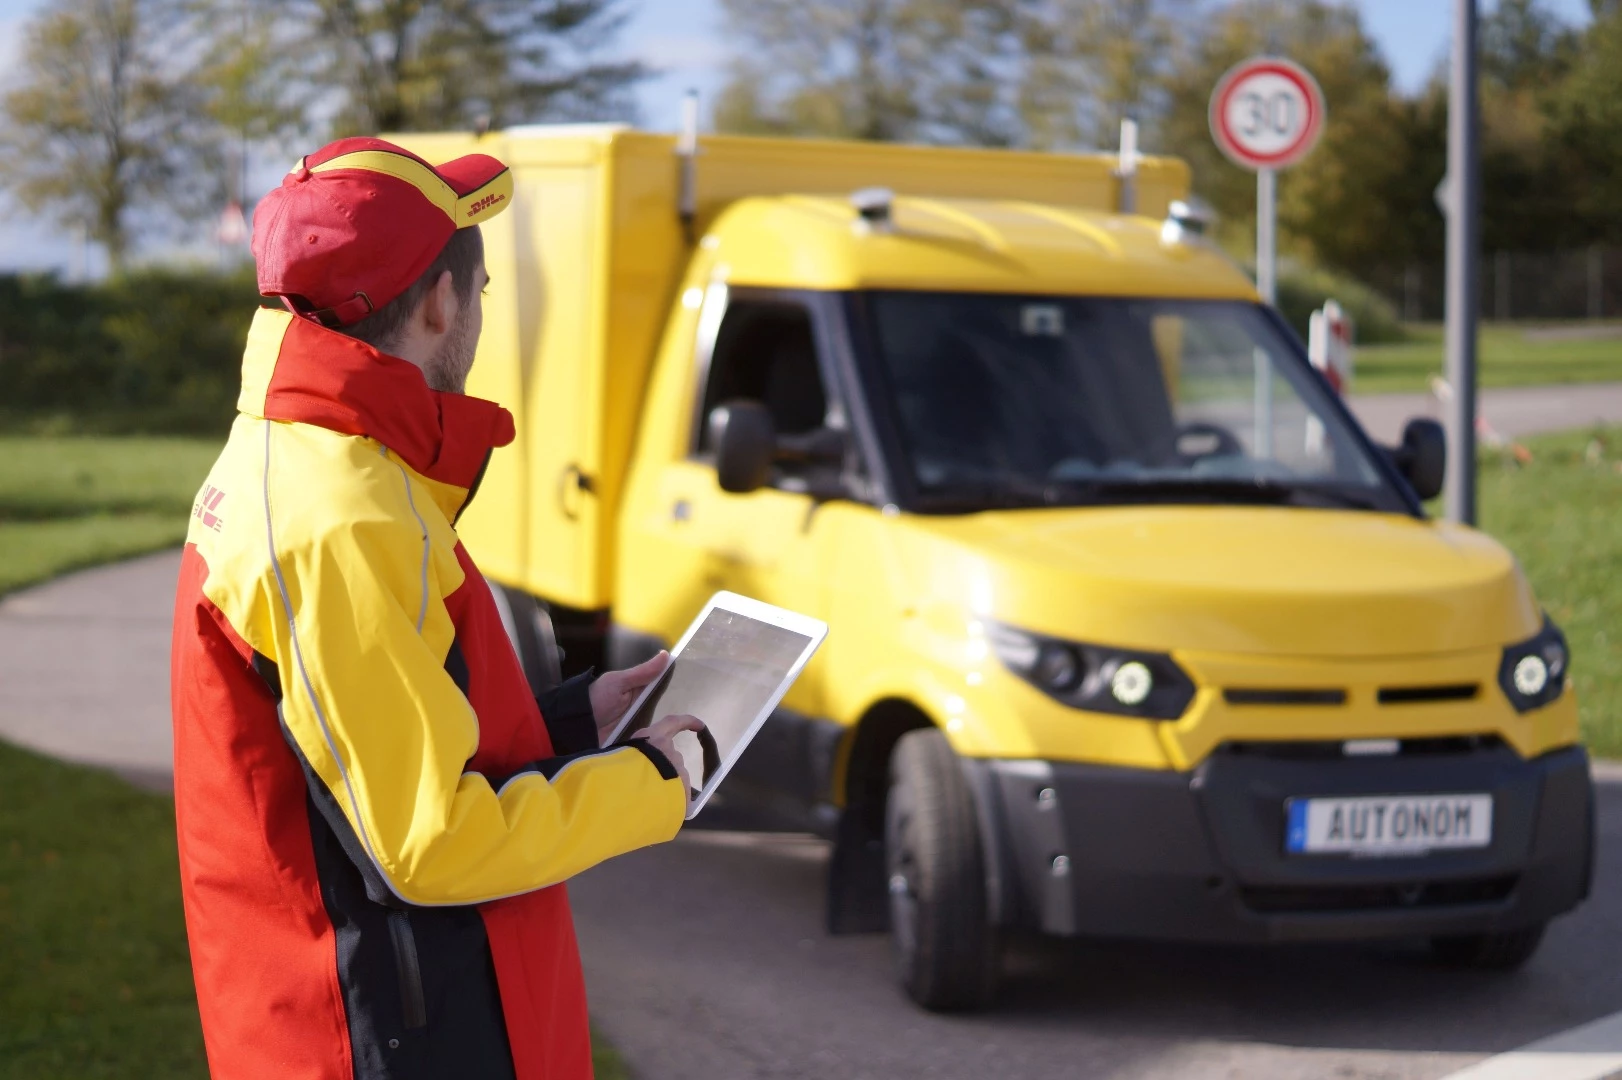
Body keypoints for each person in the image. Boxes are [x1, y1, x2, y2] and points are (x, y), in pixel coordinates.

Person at [169, 136, 700, 1080]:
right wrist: (653, 780)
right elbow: (429, 843)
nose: (480, 314)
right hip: (385, 1033)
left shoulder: (321, 462)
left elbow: (386, 734)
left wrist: (575, 720)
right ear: (442, 302)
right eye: (482, 291)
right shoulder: (336, 513)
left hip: (391, 1009)